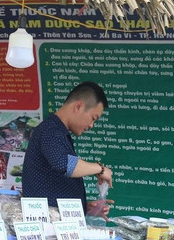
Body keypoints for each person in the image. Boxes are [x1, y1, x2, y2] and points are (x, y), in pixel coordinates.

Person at [22, 81, 113, 216]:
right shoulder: (50, 130)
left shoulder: (59, 133)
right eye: (93, 118)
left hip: (58, 221)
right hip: (47, 226)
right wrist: (100, 169)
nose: (91, 125)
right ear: (79, 106)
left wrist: (83, 208)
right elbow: (63, 164)